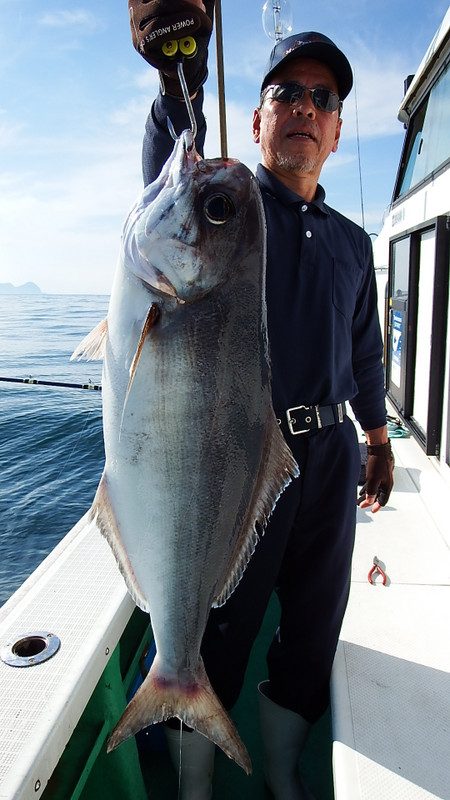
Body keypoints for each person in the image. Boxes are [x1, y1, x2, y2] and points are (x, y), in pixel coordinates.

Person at [128, 2, 394, 798]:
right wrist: (182, 74)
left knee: (312, 632)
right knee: (223, 630)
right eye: (288, 94)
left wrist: (378, 441)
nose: (305, 108)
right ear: (256, 121)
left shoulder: (353, 241)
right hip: (246, 455)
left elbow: (365, 351)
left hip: (333, 457)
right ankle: (195, 780)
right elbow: (166, 176)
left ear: (338, 132)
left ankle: (281, 773)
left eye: (323, 98)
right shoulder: (232, 212)